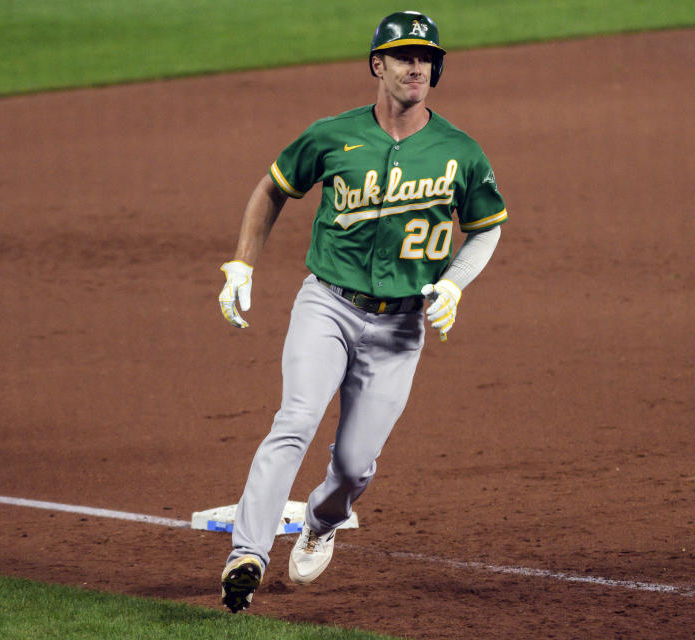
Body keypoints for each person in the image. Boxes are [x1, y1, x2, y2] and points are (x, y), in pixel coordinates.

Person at [217, 10, 508, 612]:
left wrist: (453, 285)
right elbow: (272, 188)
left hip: (400, 329)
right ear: (378, 64)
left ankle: (322, 523)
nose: (416, 67)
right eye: (404, 56)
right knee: (294, 420)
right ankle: (247, 554)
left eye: (426, 58)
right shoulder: (331, 135)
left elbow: (485, 228)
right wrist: (243, 264)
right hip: (327, 306)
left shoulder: (460, 151)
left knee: (353, 468)